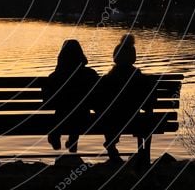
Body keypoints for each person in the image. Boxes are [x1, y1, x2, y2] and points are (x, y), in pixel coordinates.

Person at [96, 34, 154, 162]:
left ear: (115, 58)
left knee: (107, 115)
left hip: (112, 120)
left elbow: (98, 102)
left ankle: (111, 146)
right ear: (133, 58)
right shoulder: (140, 79)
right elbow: (148, 104)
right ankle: (141, 156)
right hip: (135, 119)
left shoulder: (107, 79)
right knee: (118, 115)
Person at [41, 39, 99, 153]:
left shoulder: (54, 76)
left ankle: (55, 134)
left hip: (61, 118)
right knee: (79, 112)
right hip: (84, 118)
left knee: (65, 111)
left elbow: (47, 102)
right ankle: (72, 142)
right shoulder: (91, 74)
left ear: (61, 56)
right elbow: (97, 99)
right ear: (80, 54)